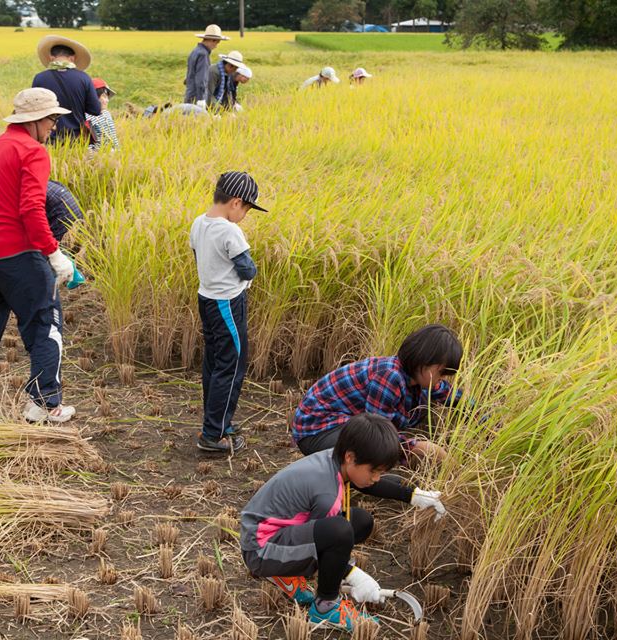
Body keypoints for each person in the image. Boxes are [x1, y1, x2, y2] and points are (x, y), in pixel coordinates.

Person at [241, 413, 444, 630]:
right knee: (339, 531)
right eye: (374, 471)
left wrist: (414, 495)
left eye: (380, 472)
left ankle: (288, 573)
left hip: (276, 535)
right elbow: (322, 544)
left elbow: (372, 484)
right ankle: (325, 608)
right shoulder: (325, 494)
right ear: (350, 457)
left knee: (361, 521)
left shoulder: (333, 460)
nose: (376, 477)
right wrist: (354, 576)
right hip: (261, 550)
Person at [0, 88, 76, 424]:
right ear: (35, 120)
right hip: (19, 253)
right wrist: (54, 253)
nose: (54, 124)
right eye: (52, 118)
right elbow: (31, 208)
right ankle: (44, 405)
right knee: (44, 323)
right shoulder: (32, 151)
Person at [293, 323, 464, 468]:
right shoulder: (389, 377)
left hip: (341, 426)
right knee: (373, 454)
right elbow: (377, 435)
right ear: (423, 362)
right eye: (441, 373)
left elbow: (450, 394)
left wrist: (481, 412)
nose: (442, 379)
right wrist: (420, 447)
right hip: (317, 431)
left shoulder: (419, 377)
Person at [190, 171, 266, 454]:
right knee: (231, 366)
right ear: (236, 202)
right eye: (247, 208)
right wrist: (250, 273)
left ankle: (218, 422)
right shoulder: (230, 230)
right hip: (228, 304)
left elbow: (199, 256)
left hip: (206, 298)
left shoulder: (199, 223)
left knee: (214, 362)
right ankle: (213, 433)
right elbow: (247, 268)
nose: (245, 215)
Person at [32, 35, 100, 145]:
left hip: (49, 138)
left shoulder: (39, 78)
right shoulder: (84, 78)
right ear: (72, 58)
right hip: (78, 139)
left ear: (51, 58)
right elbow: (95, 110)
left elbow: (34, 109)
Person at [185, 24, 229, 108]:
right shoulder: (203, 55)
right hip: (196, 97)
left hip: (189, 94)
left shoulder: (195, 51)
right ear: (212, 40)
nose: (216, 46)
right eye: (217, 42)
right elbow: (202, 79)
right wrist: (201, 99)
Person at [87, 78, 119, 152]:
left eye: (107, 97)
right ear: (94, 97)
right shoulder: (89, 118)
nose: (107, 100)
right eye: (104, 96)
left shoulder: (106, 114)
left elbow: (113, 141)